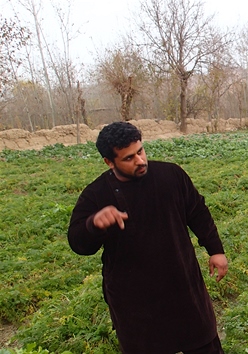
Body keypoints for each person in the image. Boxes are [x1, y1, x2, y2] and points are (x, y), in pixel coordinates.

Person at [68, 121, 228, 354]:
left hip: (182, 284)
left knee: (203, 342)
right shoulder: (96, 194)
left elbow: (197, 212)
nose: (140, 160)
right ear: (109, 162)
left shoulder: (171, 175)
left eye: (140, 151)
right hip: (134, 299)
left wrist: (216, 250)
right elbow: (77, 242)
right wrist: (93, 224)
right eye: (129, 158)